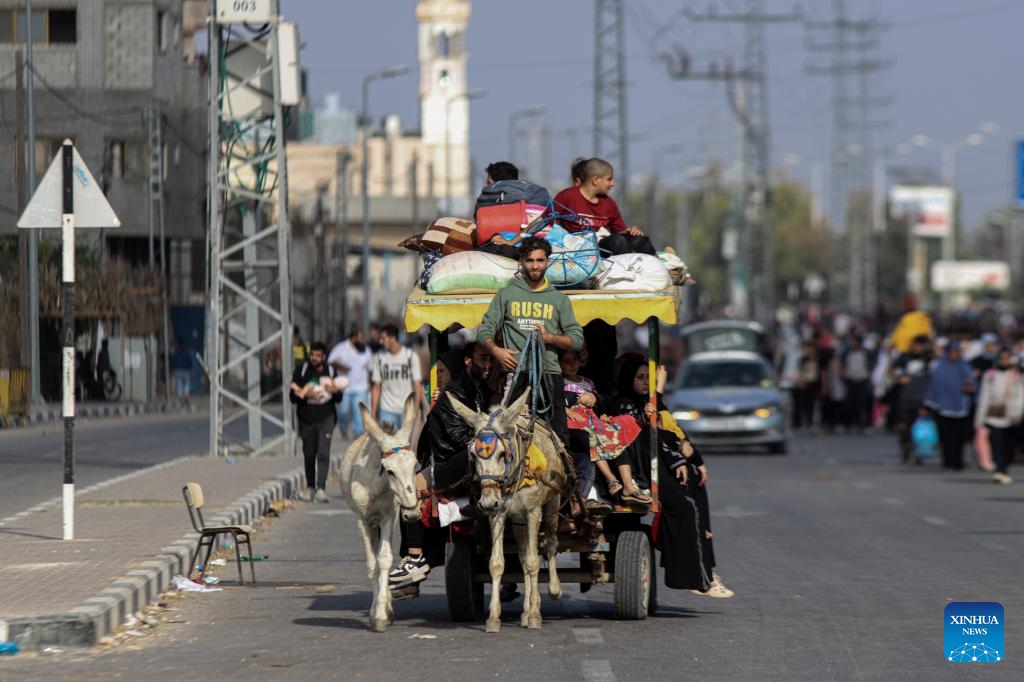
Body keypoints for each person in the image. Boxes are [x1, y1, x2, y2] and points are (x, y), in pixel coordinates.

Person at [389, 342, 495, 597]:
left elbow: (460, 439)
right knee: (409, 490)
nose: (488, 365)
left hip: (458, 462)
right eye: (484, 359)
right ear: (468, 362)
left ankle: (414, 557)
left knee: (410, 492)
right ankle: (413, 562)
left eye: (443, 372)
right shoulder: (459, 392)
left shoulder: (465, 392)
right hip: (452, 460)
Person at [477, 236, 584, 448]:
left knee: (558, 439)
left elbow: (577, 340)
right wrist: (497, 351)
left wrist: (550, 338)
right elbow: (484, 331)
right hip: (517, 373)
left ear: (547, 262)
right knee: (507, 436)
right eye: (529, 260)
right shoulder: (507, 293)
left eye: (540, 260)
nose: (535, 265)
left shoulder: (559, 299)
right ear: (522, 262)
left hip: (550, 373)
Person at [549, 157, 656, 256]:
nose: (612, 184)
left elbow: (619, 231)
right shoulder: (567, 196)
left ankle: (658, 266)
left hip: (603, 244)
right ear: (595, 180)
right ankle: (629, 268)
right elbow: (546, 223)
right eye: (609, 179)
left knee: (638, 240)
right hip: (578, 249)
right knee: (617, 242)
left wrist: (631, 231)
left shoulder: (608, 203)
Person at [290, 342, 342, 502]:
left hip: (326, 418)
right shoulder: (302, 371)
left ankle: (321, 488)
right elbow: (292, 397)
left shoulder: (331, 372)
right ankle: (311, 486)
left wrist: (334, 391)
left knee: (324, 453)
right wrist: (307, 395)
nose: (314, 358)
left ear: (323, 357)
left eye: (318, 355)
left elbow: (339, 398)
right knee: (309, 453)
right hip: (307, 419)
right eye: (312, 354)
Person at [923, 340, 976, 471]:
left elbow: (973, 383)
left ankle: (958, 461)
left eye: (957, 352)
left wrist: (971, 387)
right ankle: (947, 460)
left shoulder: (965, 366)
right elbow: (934, 386)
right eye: (952, 352)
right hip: (943, 407)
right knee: (946, 436)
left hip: (961, 405)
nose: (955, 354)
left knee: (960, 437)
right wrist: (927, 404)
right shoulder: (940, 367)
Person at [974, 348, 1024, 484]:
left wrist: (1017, 413)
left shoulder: (1017, 376)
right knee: (996, 444)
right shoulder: (990, 375)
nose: (1004, 361)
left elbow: (1021, 395)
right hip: (993, 416)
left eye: (1007, 358)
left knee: (1009, 446)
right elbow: (984, 396)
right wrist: (980, 418)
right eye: (1002, 358)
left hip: (1011, 416)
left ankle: (1005, 468)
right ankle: (999, 470)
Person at [370, 323, 425, 431]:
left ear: (393, 338)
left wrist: (416, 408)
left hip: (406, 411)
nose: (380, 342)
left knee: (403, 447)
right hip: (386, 410)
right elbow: (376, 386)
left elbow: (417, 385)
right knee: (389, 446)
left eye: (383, 338)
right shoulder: (379, 357)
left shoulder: (410, 356)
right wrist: (373, 412)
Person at [890, 334, 933, 465]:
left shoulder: (928, 357)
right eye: (916, 345)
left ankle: (919, 452)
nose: (918, 348)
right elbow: (891, 370)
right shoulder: (904, 357)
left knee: (920, 427)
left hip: (922, 397)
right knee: (904, 426)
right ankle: (905, 445)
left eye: (921, 345)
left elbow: (939, 354)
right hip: (905, 396)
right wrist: (899, 378)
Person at [328, 325, 373, 438]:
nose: (363, 340)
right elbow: (330, 360)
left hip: (361, 389)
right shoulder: (341, 348)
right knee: (343, 412)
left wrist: (370, 385)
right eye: (361, 337)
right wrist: (341, 367)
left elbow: (370, 369)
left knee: (358, 414)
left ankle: (357, 435)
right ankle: (343, 427)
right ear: (353, 338)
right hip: (345, 388)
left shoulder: (366, 351)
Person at [841, 335, 872, 432]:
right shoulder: (848, 354)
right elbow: (844, 366)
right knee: (849, 404)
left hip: (861, 381)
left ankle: (861, 425)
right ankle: (848, 424)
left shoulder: (865, 354)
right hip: (850, 381)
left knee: (861, 405)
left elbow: (869, 367)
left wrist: (868, 377)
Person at [170, 338, 194, 406]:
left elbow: (173, 361)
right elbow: (190, 361)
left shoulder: (175, 351)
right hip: (186, 370)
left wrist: (171, 370)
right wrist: (191, 370)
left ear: (178, 344)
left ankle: (180, 396)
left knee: (179, 384)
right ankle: (186, 394)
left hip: (177, 370)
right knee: (187, 383)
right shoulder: (187, 351)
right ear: (183, 344)